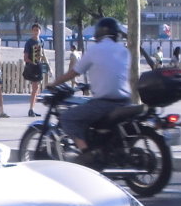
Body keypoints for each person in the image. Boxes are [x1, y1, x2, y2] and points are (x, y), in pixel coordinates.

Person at [47, 17, 132, 152]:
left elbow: (73, 73)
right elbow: (113, 74)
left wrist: (54, 83)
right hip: (126, 102)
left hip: (104, 103)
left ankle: (86, 153)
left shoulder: (94, 50)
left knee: (67, 118)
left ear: (99, 33)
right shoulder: (124, 51)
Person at [22, 22, 49, 117]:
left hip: (39, 66)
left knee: (36, 88)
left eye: (37, 30)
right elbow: (25, 57)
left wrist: (46, 64)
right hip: (31, 67)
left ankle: (32, 109)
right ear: (32, 31)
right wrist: (32, 62)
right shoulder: (29, 42)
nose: (36, 32)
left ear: (40, 31)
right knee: (35, 88)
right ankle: (31, 109)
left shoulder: (41, 41)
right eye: (34, 30)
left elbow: (42, 54)